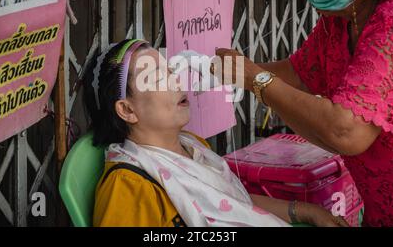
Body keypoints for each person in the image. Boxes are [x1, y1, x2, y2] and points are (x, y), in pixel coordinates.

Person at [216, 0, 393, 227]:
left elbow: (348, 131)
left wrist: (256, 79)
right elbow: (298, 74)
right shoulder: (340, 22)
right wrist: (232, 71)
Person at [83, 39, 348, 227]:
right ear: (127, 110)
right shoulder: (128, 185)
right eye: (157, 78)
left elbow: (232, 203)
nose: (176, 80)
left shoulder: (193, 145)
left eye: (170, 71)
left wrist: (306, 211)